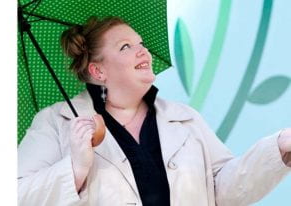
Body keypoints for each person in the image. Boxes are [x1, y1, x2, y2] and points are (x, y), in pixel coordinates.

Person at [18, 16, 291, 206]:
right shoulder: (56, 122)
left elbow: (222, 189)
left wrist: (278, 147)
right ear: (98, 70)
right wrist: (75, 169)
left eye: (141, 43)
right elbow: (14, 196)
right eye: (126, 47)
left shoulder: (185, 118)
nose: (143, 51)